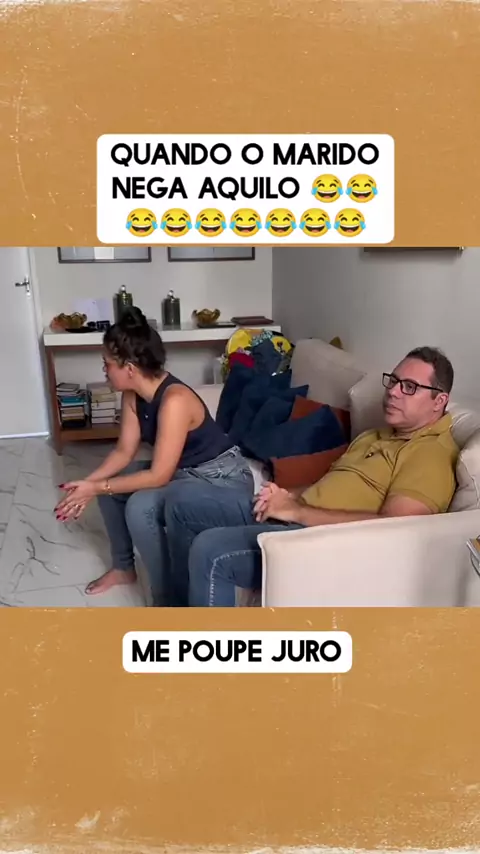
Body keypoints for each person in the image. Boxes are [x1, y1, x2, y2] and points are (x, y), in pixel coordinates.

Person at [164, 346, 459, 606]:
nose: (393, 391)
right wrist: (286, 494)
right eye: (393, 381)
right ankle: (178, 615)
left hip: (318, 541)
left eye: (409, 387)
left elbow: (396, 531)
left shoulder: (430, 454)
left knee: (211, 549)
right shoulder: (377, 435)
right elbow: (330, 486)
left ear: (439, 401)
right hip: (296, 514)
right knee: (182, 503)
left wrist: (298, 512)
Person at [54, 306, 254, 605]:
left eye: (107, 364)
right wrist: (86, 485)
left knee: (140, 507)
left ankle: (166, 600)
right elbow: (124, 451)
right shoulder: (132, 394)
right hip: (183, 472)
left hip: (220, 479)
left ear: (129, 368)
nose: (104, 370)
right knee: (112, 486)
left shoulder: (175, 400)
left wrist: (96, 487)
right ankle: (123, 568)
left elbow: (159, 475)